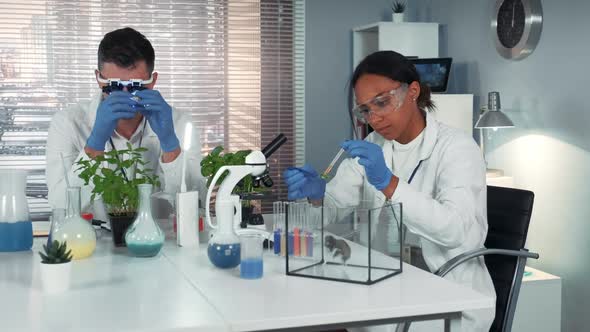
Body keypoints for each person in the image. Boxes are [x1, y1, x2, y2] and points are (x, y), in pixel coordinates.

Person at [283, 50, 495, 331]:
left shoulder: (457, 148)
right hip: (389, 280)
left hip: (448, 296)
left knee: (354, 320)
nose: (375, 118)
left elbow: (456, 231)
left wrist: (388, 183)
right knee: (313, 303)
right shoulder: (374, 144)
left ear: (413, 92)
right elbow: (333, 208)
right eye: (366, 110)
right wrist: (317, 195)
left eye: (382, 102)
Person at [46, 27, 204, 220]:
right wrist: (94, 145)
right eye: (114, 87)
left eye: (137, 86)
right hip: (95, 243)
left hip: (163, 243)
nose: (126, 95)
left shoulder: (180, 123)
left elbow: (198, 203)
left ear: (152, 81)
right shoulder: (68, 123)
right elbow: (60, 205)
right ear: (99, 79)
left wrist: (171, 145)